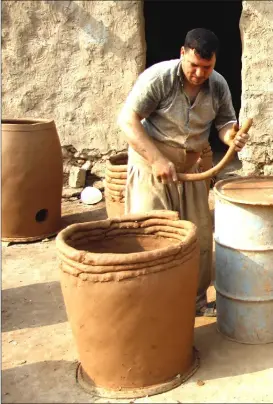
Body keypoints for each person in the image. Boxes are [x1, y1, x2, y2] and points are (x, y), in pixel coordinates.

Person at [117, 28, 249, 316]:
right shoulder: (158, 78)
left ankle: (196, 302)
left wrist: (231, 137)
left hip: (190, 170)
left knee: (198, 238)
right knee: (152, 237)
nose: (200, 73)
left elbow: (225, 123)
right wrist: (155, 159)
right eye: (194, 65)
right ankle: (151, 306)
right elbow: (127, 120)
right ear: (182, 53)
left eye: (207, 67)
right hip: (151, 166)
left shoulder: (218, 85)